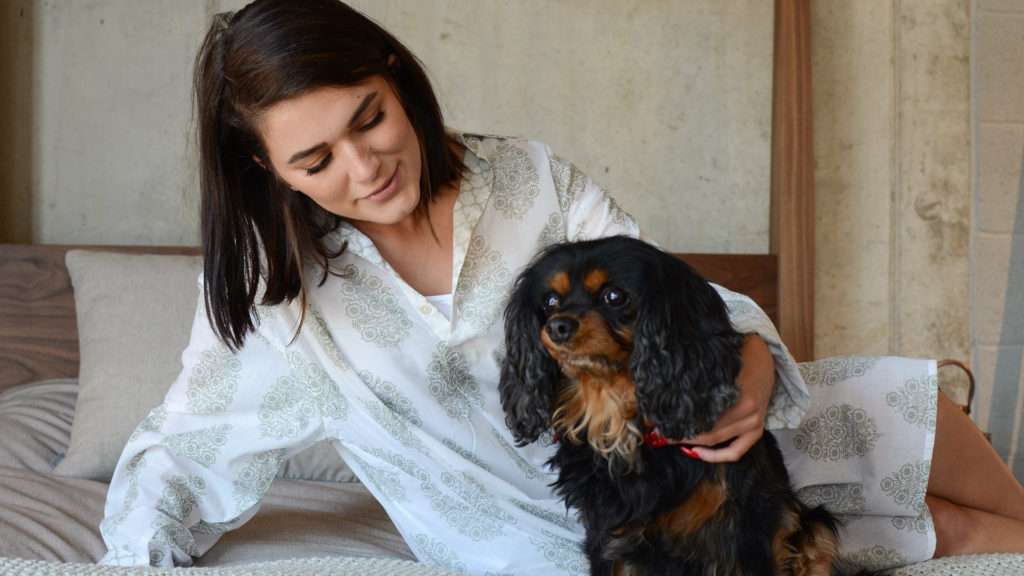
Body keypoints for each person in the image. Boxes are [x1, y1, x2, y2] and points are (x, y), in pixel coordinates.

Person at [99, 0, 1024, 572]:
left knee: (916, 410)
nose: (366, 166)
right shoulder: (281, 298)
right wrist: (128, 561)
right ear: (269, 174)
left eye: (369, 119)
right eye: (316, 160)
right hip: (556, 529)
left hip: (694, 433)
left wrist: (749, 359)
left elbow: (663, 281)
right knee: (946, 530)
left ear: (392, 73)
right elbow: (185, 448)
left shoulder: (528, 179)